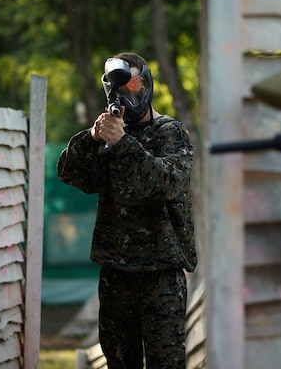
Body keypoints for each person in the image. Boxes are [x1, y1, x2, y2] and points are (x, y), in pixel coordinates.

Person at [57, 52, 197, 369]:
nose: (128, 93)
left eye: (133, 83)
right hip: (116, 273)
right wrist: (92, 138)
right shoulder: (109, 135)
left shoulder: (170, 132)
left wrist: (122, 143)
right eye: (120, 87)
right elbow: (71, 174)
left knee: (166, 363)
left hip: (160, 273)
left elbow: (165, 184)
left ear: (146, 84)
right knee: (120, 361)